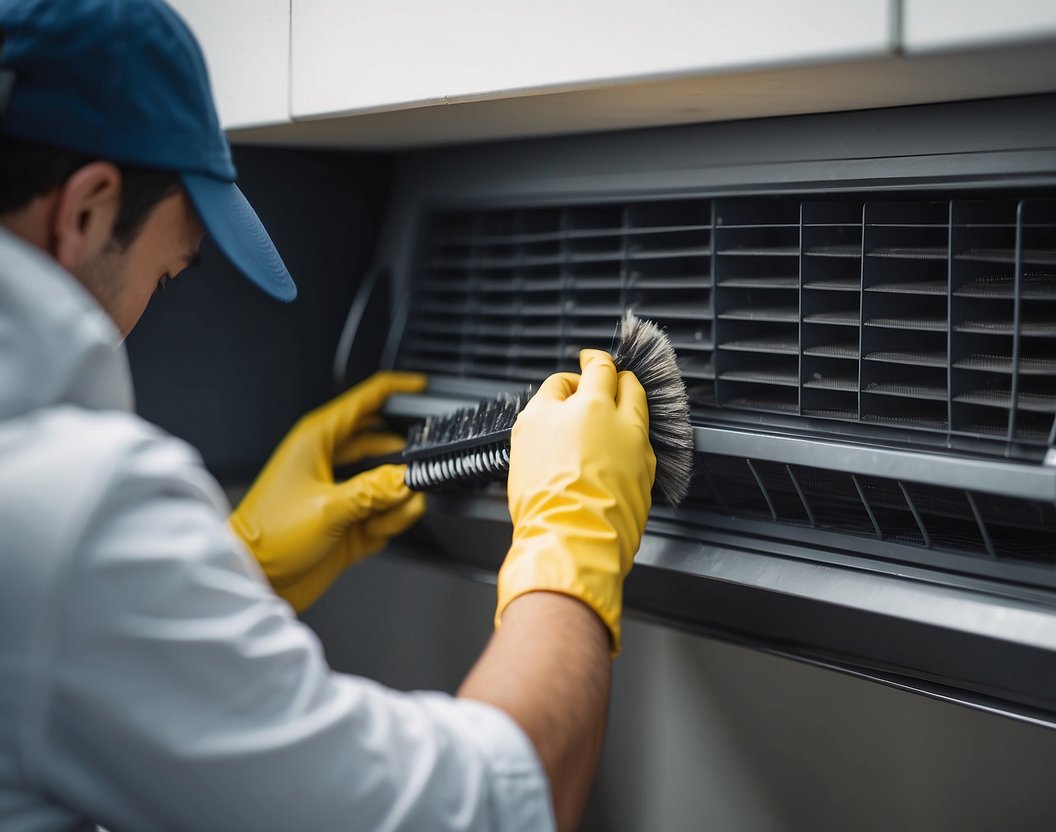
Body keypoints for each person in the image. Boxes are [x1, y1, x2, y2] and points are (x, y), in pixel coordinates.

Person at [0, 1, 656, 830]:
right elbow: (478, 811)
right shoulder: (70, 509)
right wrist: (570, 550)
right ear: (87, 209)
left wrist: (238, 564)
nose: (147, 312)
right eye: (168, 275)